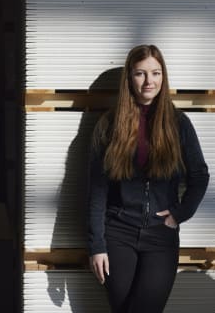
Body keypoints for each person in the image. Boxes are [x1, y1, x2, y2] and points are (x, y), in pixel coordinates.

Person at [87, 44, 210, 313]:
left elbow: (199, 175)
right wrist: (97, 246)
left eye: (155, 73)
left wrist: (179, 214)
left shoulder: (179, 123)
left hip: (160, 237)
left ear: (163, 77)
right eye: (140, 73)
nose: (148, 81)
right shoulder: (109, 125)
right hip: (118, 234)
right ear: (129, 78)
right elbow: (97, 191)